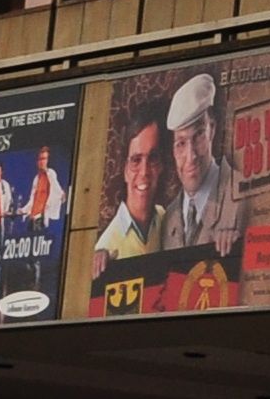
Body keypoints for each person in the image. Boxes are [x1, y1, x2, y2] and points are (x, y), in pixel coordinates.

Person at [163, 73, 243, 262]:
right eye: (181, 144)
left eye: (198, 135)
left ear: (212, 129)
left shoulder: (244, 195)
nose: (190, 156)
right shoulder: (168, 217)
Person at [96, 120, 169, 263]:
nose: (144, 172)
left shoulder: (164, 218)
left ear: (161, 166)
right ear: (125, 171)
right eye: (136, 160)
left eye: (152, 158)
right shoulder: (107, 249)